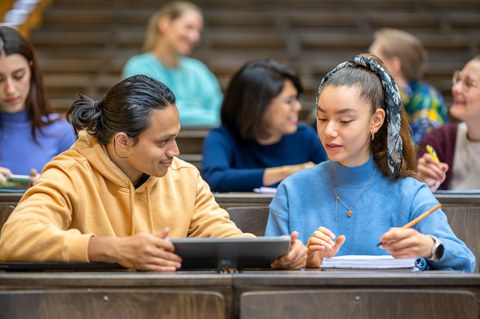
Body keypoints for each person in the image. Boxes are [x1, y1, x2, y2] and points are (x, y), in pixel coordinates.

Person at [0, 75, 306, 271]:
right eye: (163, 141)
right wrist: (113, 249)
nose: (174, 151)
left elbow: (223, 236)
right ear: (123, 142)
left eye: (175, 137)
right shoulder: (69, 173)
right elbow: (14, 238)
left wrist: (275, 256)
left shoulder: (184, 177)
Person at [265, 54, 475, 272]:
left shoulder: (409, 192)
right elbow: (266, 268)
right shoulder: (293, 190)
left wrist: (429, 246)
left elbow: (465, 261)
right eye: (322, 118)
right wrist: (303, 262)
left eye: (345, 121)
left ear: (376, 121)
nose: (329, 131)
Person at [202, 59, 327, 192]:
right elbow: (215, 179)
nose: (297, 107)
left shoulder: (305, 137)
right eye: (289, 101)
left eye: (296, 99)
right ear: (258, 105)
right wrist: (286, 172)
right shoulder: (222, 137)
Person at [121, 1, 222, 127]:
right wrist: (206, 115)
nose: (195, 37)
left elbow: (221, 112)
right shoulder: (139, 67)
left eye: (198, 31)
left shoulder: (198, 70)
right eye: (189, 27)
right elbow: (153, 115)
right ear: (165, 24)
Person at [0, 26, 76, 185]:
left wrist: (51, 189)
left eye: (18, 76)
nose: (10, 89)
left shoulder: (62, 132)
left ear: (31, 70)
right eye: (0, 80)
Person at [369, 28, 448, 146]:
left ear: (393, 65)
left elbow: (420, 150)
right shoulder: (380, 97)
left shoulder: (427, 99)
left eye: (372, 60)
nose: (366, 66)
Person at [417, 55, 480, 191]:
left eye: (468, 84)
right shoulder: (440, 139)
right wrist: (422, 180)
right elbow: (412, 187)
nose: (455, 88)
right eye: (458, 79)